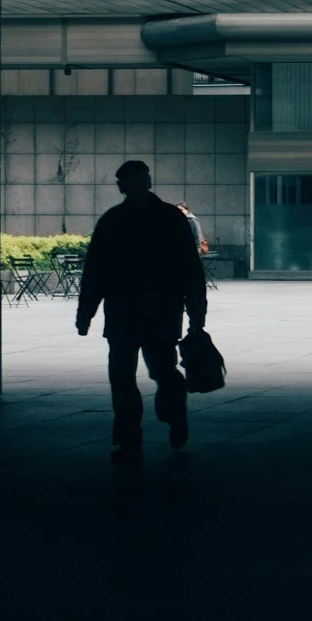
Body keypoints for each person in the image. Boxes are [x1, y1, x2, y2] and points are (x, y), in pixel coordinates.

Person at [77, 159, 208, 463]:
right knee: (150, 373)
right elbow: (191, 270)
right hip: (156, 312)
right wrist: (196, 316)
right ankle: (154, 425)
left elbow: (95, 272)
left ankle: (136, 437)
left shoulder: (115, 220)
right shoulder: (168, 219)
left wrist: (86, 314)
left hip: (131, 312)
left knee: (130, 377)